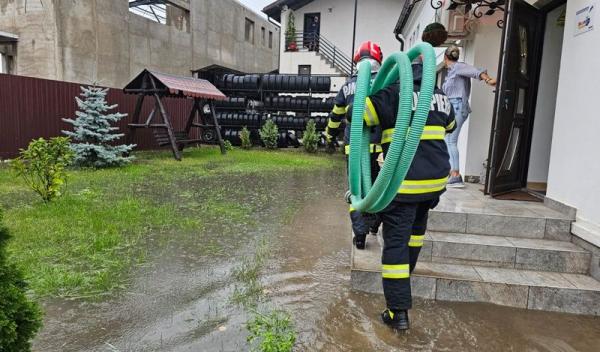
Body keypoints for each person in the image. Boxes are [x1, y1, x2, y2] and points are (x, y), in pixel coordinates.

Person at [348, 44, 455, 331]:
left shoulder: (393, 93)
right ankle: (403, 284)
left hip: (402, 184)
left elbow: (358, 115)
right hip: (433, 185)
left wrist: (369, 92)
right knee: (415, 237)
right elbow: (451, 126)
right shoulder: (441, 95)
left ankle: (398, 312)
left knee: (394, 245)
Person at [325, 41, 384, 250]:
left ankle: (360, 235)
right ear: (379, 60)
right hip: (379, 149)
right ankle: (375, 224)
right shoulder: (386, 82)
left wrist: (329, 136)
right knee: (378, 189)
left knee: (356, 191)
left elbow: (336, 115)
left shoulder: (348, 85)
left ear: (357, 61)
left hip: (354, 149)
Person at [442, 45, 496, 188]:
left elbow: (475, 71)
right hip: (453, 108)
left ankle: (455, 176)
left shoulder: (458, 67)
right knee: (448, 139)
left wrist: (488, 79)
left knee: (450, 140)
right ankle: (452, 172)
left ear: (445, 58)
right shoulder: (452, 71)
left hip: (458, 107)